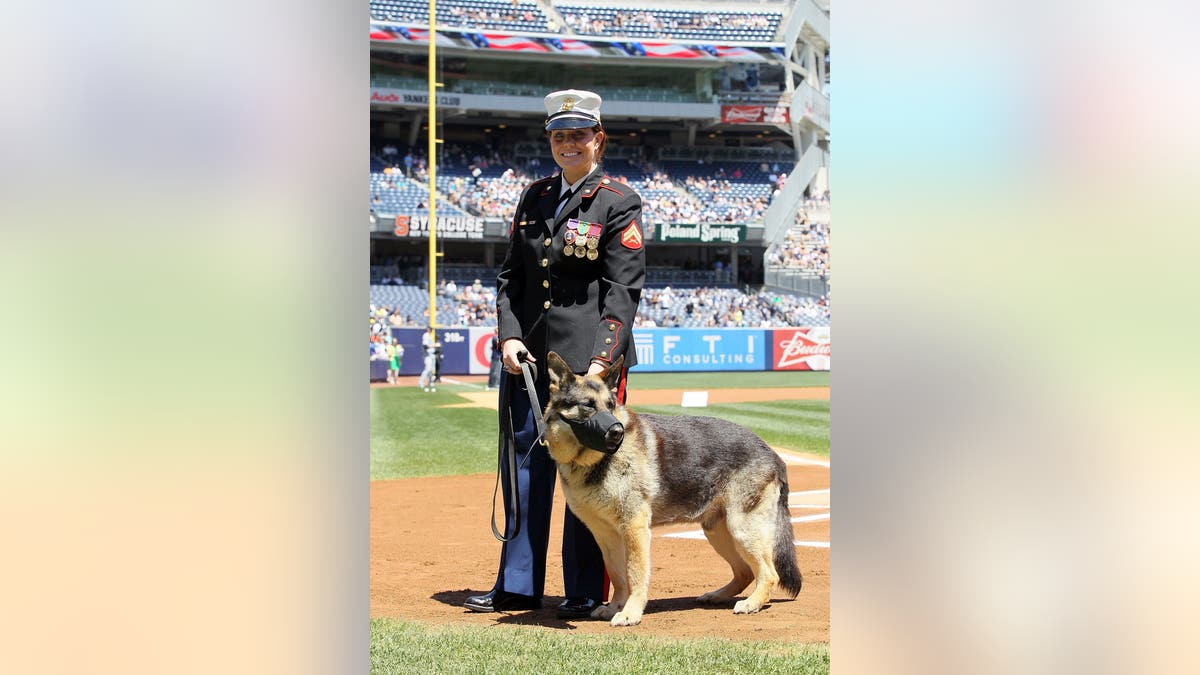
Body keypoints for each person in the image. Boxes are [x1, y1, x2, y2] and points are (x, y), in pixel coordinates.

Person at [464, 89, 646, 619]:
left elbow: (621, 291)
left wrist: (600, 367)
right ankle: (517, 585)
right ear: (550, 140)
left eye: (578, 135)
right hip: (529, 363)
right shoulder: (535, 196)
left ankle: (585, 589)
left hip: (587, 369)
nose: (568, 144)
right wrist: (510, 336)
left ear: (598, 139)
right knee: (524, 468)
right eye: (559, 135)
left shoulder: (618, 201)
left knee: (587, 471)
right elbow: (510, 279)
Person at [418, 327, 438, 393]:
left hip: (431, 355)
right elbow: (425, 346)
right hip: (428, 355)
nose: (431, 330)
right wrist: (434, 345)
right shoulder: (426, 335)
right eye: (430, 329)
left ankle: (430, 382)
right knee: (428, 369)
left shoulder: (429, 335)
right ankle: (421, 382)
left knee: (431, 370)